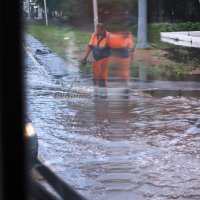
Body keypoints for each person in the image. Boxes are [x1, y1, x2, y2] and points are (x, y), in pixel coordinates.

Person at [82, 23, 111, 98]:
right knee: (95, 77)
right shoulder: (94, 35)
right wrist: (85, 57)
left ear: (103, 30)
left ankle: (103, 95)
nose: (97, 33)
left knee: (102, 77)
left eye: (99, 31)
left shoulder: (108, 36)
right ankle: (96, 93)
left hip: (104, 59)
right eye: (96, 31)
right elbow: (90, 46)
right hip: (95, 59)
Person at [108, 29, 134, 99]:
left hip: (122, 55)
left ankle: (124, 88)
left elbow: (131, 47)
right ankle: (123, 88)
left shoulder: (127, 34)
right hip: (120, 55)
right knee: (123, 73)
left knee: (124, 73)